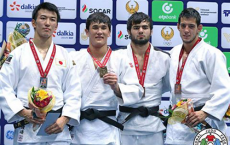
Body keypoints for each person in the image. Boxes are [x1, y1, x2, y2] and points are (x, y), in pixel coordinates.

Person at [0, 2, 81, 145]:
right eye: (43, 18)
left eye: (52, 19)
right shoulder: (18, 54)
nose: (47, 23)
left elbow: (74, 91)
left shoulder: (65, 55)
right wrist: (22, 112)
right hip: (27, 128)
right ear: (33, 23)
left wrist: (65, 118)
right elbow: (3, 87)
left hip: (57, 130)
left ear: (56, 26)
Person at [69, 12, 143, 145]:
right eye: (95, 27)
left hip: (107, 129)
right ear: (87, 32)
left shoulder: (121, 59)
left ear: (109, 32)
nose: (99, 32)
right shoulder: (74, 58)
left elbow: (137, 91)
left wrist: (117, 87)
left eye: (103, 28)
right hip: (80, 127)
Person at [165, 8, 230, 145]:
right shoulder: (173, 52)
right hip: (177, 123)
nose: (186, 30)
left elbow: (224, 89)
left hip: (203, 121)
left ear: (199, 28)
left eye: (191, 26)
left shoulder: (212, 54)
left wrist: (205, 112)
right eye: (183, 26)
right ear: (178, 27)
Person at [116, 12, 170, 145]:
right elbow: (111, 88)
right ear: (129, 31)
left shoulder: (164, 58)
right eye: (136, 27)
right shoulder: (117, 56)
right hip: (125, 124)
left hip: (153, 125)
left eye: (145, 27)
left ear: (151, 31)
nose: (141, 31)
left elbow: (169, 86)